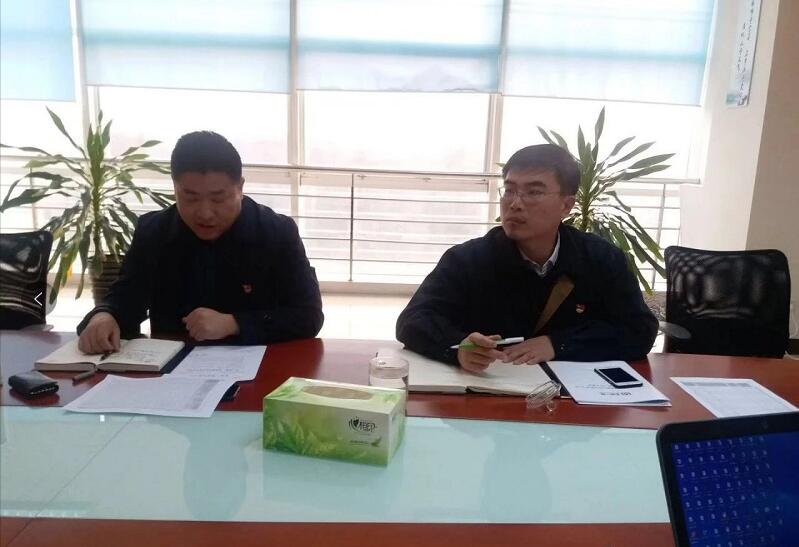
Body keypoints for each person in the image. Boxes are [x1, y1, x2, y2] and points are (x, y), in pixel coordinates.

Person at [396, 144, 657, 373]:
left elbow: (639, 330)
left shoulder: (601, 258)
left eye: (533, 192)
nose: (515, 204)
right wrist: (458, 347)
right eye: (509, 190)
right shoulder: (467, 259)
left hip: (571, 397)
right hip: (488, 391)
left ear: (567, 205)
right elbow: (413, 320)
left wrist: (557, 344)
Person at [77, 131, 323, 353]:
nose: (205, 213)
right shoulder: (154, 231)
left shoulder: (276, 232)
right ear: (175, 188)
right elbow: (127, 297)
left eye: (218, 198)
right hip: (170, 370)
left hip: (257, 367)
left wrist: (234, 323)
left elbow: (308, 316)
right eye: (190, 198)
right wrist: (105, 316)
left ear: (240, 188)